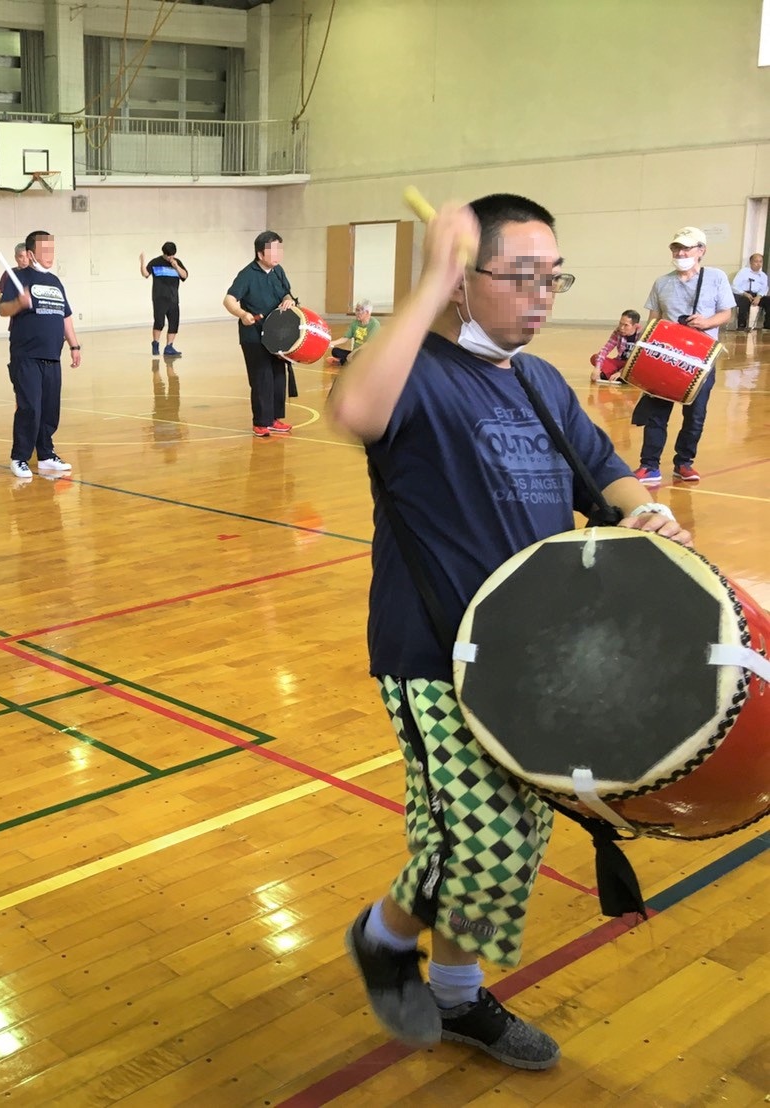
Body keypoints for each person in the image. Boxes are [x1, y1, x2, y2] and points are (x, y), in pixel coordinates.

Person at [327, 192, 693, 1072]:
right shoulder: (417, 370)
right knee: (479, 839)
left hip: (532, 654)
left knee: (516, 838)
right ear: (464, 279)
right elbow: (354, 411)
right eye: (519, 277)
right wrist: (429, 280)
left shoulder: (538, 383)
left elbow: (605, 472)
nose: (541, 297)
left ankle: (452, 993)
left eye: (552, 278)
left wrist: (645, 514)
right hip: (432, 652)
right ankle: (388, 940)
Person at [631, 227, 734, 487]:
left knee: (695, 415)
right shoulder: (662, 283)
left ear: (701, 250)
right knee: (656, 413)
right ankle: (649, 465)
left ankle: (684, 463)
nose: (680, 253)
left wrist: (706, 322)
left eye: (686, 248)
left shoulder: (716, 277)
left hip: (701, 360)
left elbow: (726, 313)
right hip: (666, 358)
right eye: (676, 248)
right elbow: (654, 320)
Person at [0, 230, 81, 478]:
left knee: (49, 409)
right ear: (31, 253)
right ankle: (20, 457)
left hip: (52, 355)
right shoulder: (18, 277)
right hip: (26, 355)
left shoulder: (55, 281)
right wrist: (19, 303)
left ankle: (46, 454)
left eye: (51, 249)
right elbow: (3, 309)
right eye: (44, 250)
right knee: (30, 408)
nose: (49, 255)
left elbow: (65, 315)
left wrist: (74, 345)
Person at [223, 231, 298, 437]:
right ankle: (260, 422)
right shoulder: (247, 274)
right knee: (261, 378)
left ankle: (273, 419)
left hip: (277, 334)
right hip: (254, 336)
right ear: (260, 253)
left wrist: (288, 300)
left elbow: (286, 292)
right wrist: (242, 314)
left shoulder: (278, 271)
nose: (278, 254)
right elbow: (229, 300)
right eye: (273, 250)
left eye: (279, 249)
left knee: (278, 376)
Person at [141, 242, 187, 357]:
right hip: (159, 298)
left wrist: (176, 266)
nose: (171, 257)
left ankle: (169, 347)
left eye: (172, 255)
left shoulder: (177, 262)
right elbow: (145, 274)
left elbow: (184, 275)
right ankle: (155, 343)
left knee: (174, 323)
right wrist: (142, 262)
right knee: (159, 322)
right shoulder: (155, 262)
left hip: (173, 298)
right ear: (164, 253)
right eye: (169, 255)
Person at [588, 309, 641, 384]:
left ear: (635, 326)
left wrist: (621, 372)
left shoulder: (643, 335)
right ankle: (618, 376)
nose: (621, 328)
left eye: (626, 325)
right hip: (619, 362)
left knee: (640, 368)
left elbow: (639, 361)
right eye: (620, 324)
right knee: (595, 357)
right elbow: (606, 349)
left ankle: (612, 375)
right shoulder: (618, 332)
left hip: (632, 365)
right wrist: (597, 368)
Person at [328, 300, 381, 366]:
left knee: (358, 355)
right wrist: (330, 343)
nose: (356, 313)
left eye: (358, 311)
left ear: (367, 312)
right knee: (335, 351)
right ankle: (349, 362)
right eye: (356, 310)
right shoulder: (355, 323)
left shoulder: (375, 324)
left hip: (367, 353)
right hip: (355, 353)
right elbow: (345, 338)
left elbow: (368, 344)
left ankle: (342, 361)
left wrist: (353, 353)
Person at [731, 252, 766, 332]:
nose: (758, 264)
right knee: (745, 300)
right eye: (756, 261)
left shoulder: (763, 275)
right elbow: (734, 286)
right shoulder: (743, 272)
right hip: (742, 294)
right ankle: (742, 326)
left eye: (760, 262)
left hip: (756, 295)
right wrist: (745, 293)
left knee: (768, 300)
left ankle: (767, 327)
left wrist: (759, 297)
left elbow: (764, 288)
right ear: (751, 262)